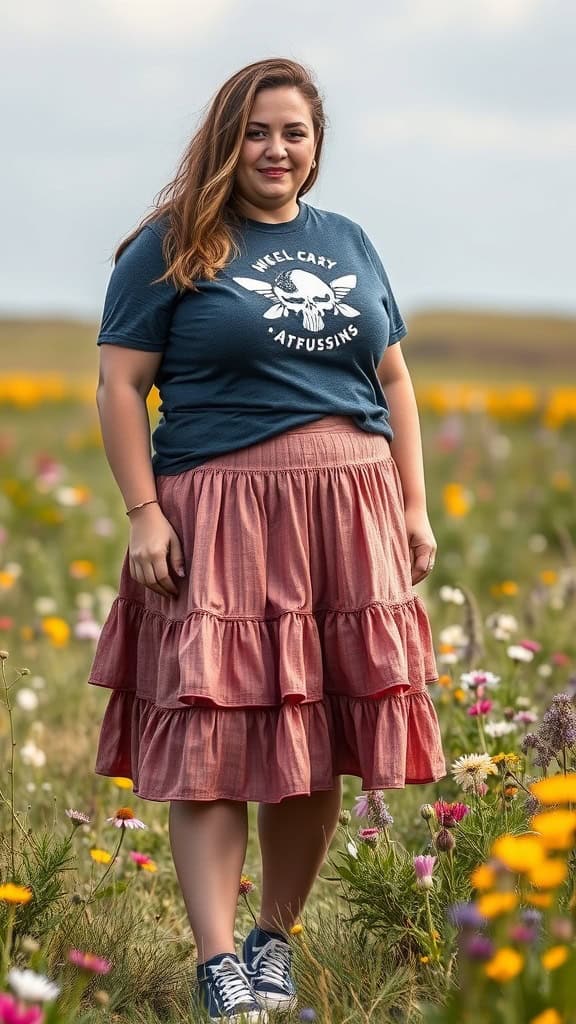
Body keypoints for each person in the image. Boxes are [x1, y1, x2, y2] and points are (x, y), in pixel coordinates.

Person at [88, 56, 447, 1023]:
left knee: (316, 734)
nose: (274, 150)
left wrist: (413, 506)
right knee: (214, 732)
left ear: (316, 146)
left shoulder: (350, 240)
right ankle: (218, 966)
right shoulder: (171, 245)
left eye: (292, 132)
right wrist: (143, 512)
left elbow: (395, 380)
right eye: (255, 131)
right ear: (224, 141)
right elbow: (122, 388)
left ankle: (274, 945)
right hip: (222, 516)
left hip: (350, 512)